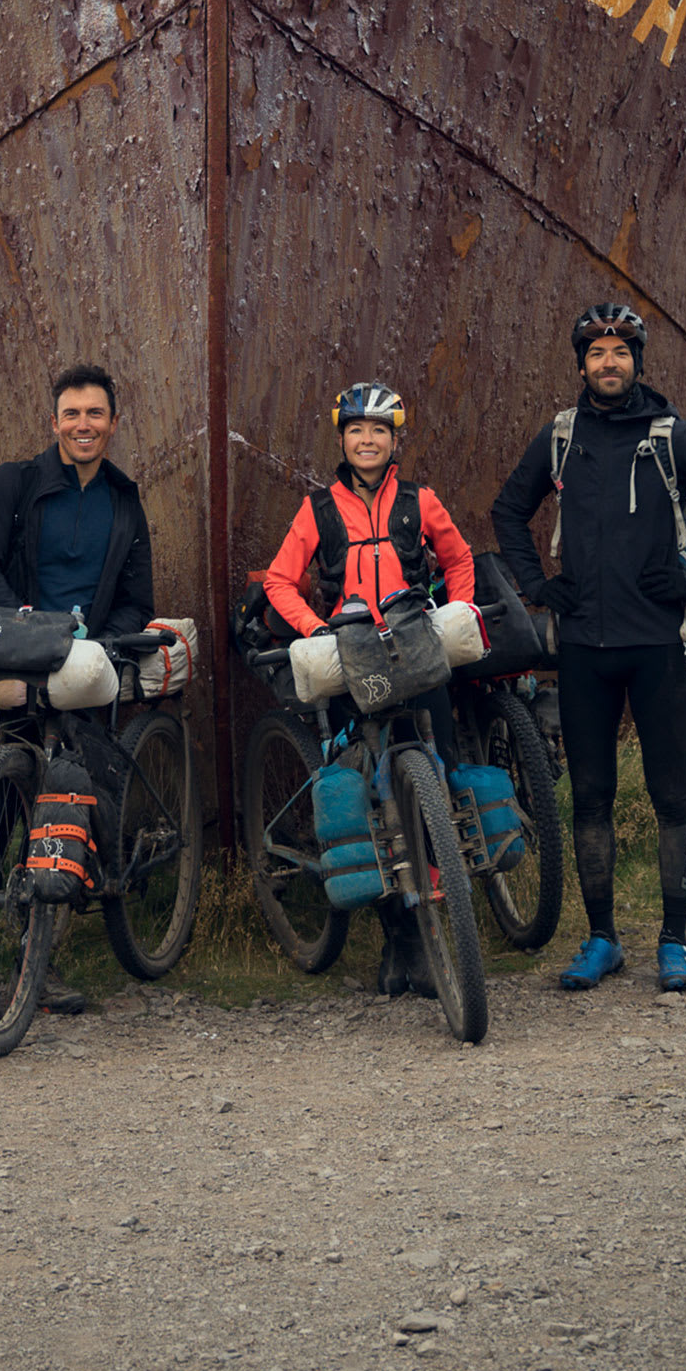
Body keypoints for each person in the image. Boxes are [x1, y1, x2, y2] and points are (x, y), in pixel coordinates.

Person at [490, 304, 686, 993]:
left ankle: (673, 945)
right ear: (581, 364)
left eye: (620, 351)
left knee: (670, 797)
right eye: (596, 352)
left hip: (655, 647)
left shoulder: (670, 435)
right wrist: (536, 583)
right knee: (588, 798)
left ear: (637, 362)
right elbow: (508, 510)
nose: (608, 362)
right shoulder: (561, 435)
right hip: (583, 649)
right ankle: (601, 941)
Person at [263, 379, 478, 999]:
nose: (367, 440)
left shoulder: (419, 501)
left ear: (394, 441)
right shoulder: (319, 508)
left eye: (378, 431)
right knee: (363, 795)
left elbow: (459, 559)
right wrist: (318, 630)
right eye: (356, 430)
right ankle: (400, 940)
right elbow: (281, 580)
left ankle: (449, 917)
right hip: (354, 660)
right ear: (342, 439)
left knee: (443, 771)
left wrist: (454, 615)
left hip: (417, 649)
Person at [0, 362, 157, 1014]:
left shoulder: (124, 500)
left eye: (94, 414)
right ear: (54, 422)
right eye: (71, 414)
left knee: (66, 809)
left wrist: (99, 646)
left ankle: (41, 959)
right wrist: (22, 622)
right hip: (13, 662)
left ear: (113, 423)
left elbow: (136, 599)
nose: (82, 425)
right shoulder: (12, 485)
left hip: (80, 670)